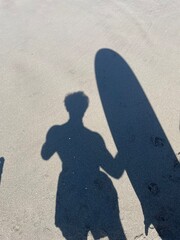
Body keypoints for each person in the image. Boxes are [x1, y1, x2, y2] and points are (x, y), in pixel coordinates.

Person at [41, 92, 126, 240]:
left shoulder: (57, 132)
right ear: (85, 110)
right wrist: (125, 148)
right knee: (115, 234)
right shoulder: (93, 138)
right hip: (96, 189)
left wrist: (54, 138)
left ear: (67, 108)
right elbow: (115, 171)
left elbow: (45, 154)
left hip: (70, 189)